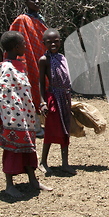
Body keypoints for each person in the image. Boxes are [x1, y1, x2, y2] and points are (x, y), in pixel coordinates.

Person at [0, 31, 52, 197]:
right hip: (13, 118)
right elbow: (4, 93)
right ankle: (9, 185)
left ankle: (33, 179)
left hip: (25, 116)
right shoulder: (6, 67)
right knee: (12, 148)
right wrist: (12, 116)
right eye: (24, 44)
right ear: (16, 47)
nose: (26, 47)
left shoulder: (19, 65)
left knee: (29, 147)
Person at [9, 0, 48, 138]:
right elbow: (14, 41)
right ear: (26, 3)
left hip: (41, 59)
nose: (37, 2)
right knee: (29, 92)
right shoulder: (21, 20)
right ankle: (35, 128)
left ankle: (39, 125)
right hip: (27, 61)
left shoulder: (40, 19)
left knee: (42, 89)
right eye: (33, 0)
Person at [38, 28, 75, 175]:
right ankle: (43, 162)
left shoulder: (62, 57)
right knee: (51, 130)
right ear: (44, 43)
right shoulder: (44, 60)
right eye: (49, 42)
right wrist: (42, 102)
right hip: (53, 97)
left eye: (56, 41)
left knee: (65, 130)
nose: (53, 43)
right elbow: (41, 82)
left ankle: (65, 163)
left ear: (60, 41)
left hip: (65, 98)